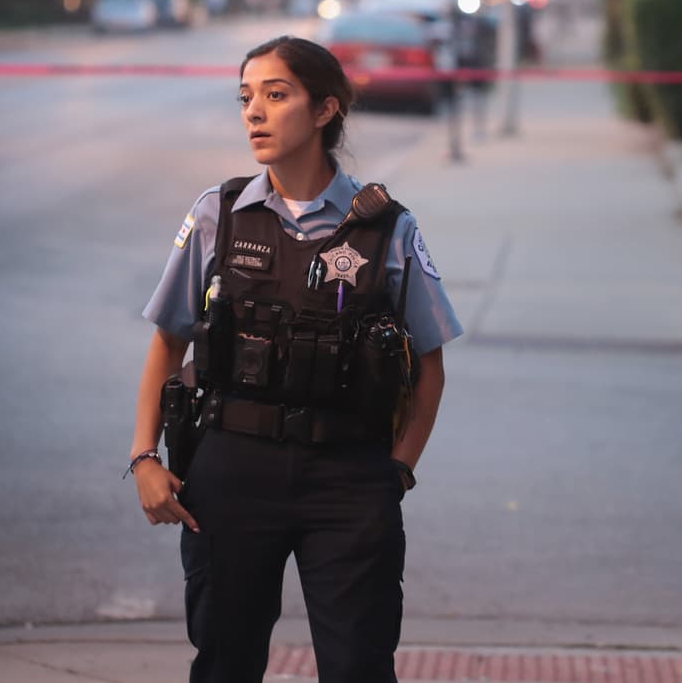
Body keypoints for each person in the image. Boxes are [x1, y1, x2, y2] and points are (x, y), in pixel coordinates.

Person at [127, 35, 462, 683]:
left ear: (324, 110)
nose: (254, 111)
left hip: (348, 476)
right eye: (246, 97)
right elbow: (168, 340)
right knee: (225, 662)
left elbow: (429, 364)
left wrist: (394, 475)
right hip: (230, 469)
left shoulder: (388, 227)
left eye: (276, 95)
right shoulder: (217, 214)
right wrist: (144, 457)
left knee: (359, 665)